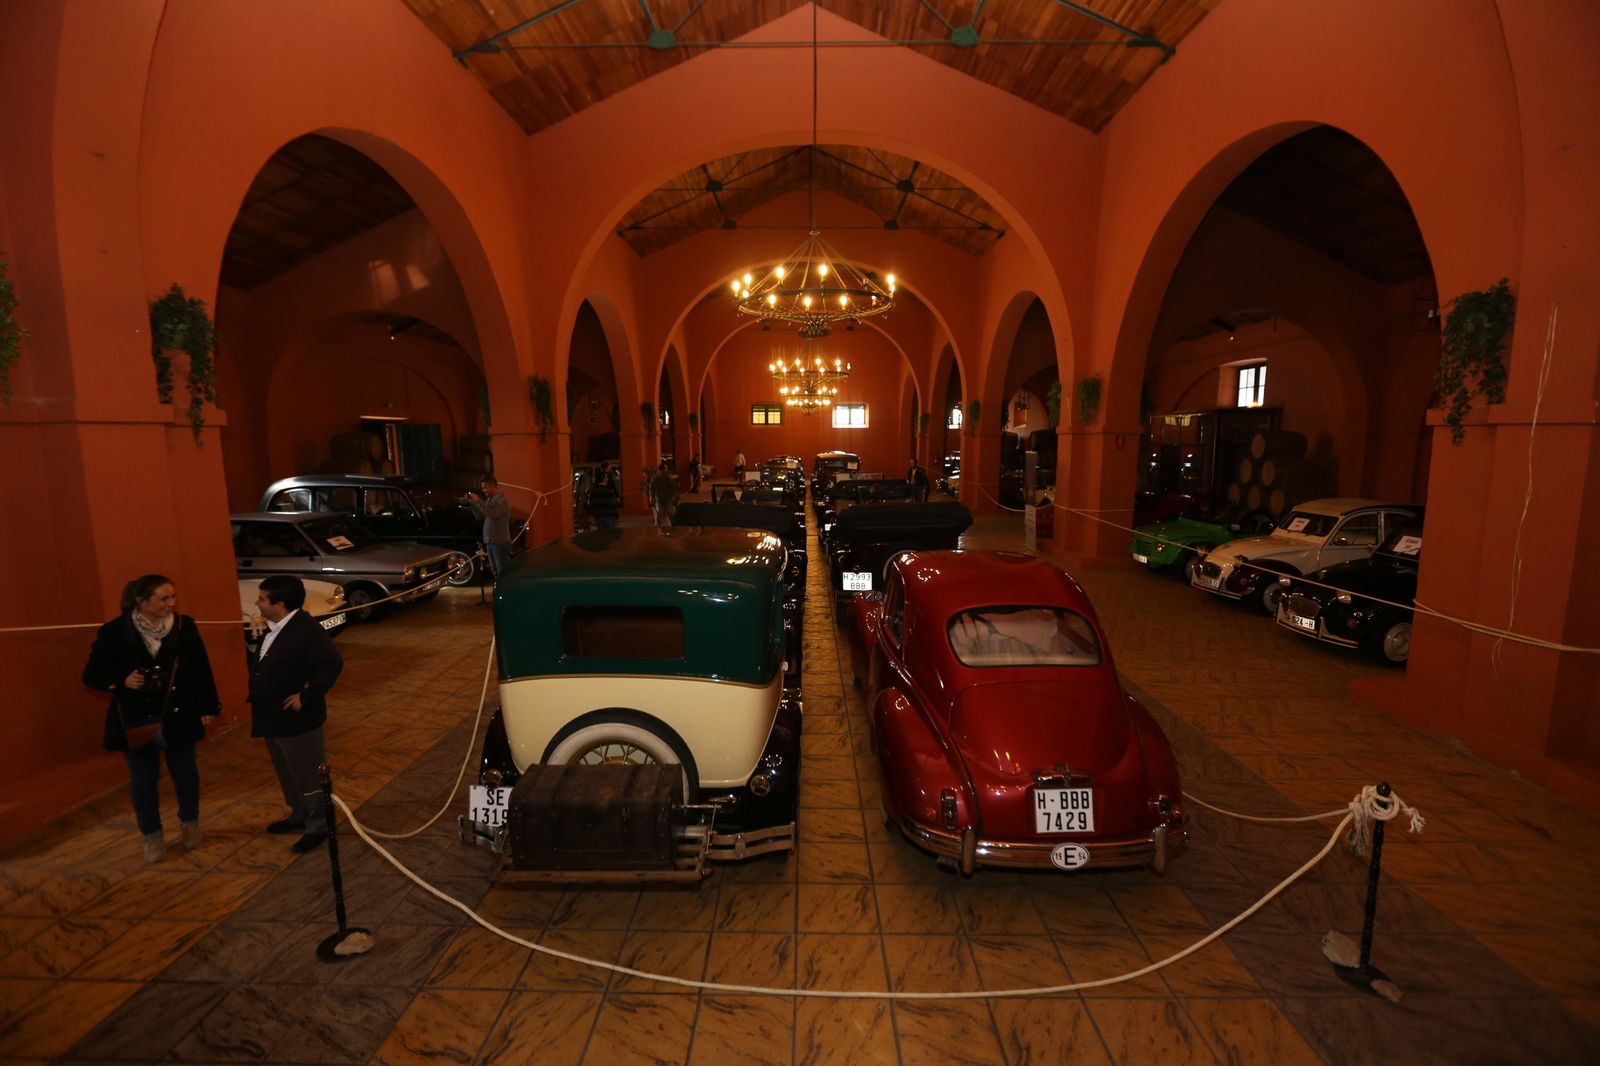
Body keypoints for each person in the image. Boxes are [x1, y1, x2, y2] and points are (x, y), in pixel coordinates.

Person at [83, 574, 221, 863]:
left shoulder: (185, 627)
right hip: (137, 718)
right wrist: (120, 681)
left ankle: (190, 823)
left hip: (180, 713)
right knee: (143, 780)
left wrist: (208, 707)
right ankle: (152, 836)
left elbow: (200, 668)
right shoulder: (114, 632)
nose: (171, 603)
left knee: (185, 774)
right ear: (141, 601)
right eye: (163, 598)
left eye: (173, 597)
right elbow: (92, 675)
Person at [250, 575, 345, 854]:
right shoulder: (278, 627)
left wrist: (307, 695)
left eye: (262, 598)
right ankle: (299, 814)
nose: (258, 602)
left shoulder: (306, 630)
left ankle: (318, 825)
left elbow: (332, 663)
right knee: (287, 771)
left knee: (308, 774)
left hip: (298, 721)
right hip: (274, 718)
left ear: (279, 604)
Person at [465, 476, 512, 580]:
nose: (483, 490)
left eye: (485, 487)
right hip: (490, 541)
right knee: (494, 570)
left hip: (500, 542)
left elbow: (492, 514)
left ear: (493, 487)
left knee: (502, 572)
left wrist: (478, 501)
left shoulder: (502, 501)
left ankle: (504, 593)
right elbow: (480, 516)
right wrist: (473, 504)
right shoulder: (489, 501)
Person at [648, 460, 679, 528]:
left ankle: (658, 526)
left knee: (659, 513)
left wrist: (652, 498)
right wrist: (674, 496)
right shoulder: (667, 477)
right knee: (669, 512)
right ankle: (673, 524)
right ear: (664, 469)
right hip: (666, 498)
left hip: (659, 498)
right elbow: (672, 487)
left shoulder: (654, 477)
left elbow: (651, 489)